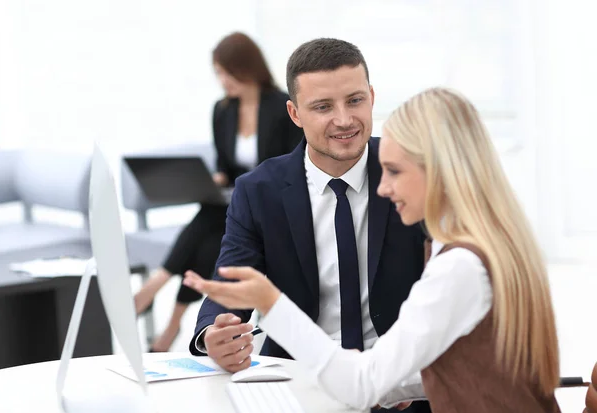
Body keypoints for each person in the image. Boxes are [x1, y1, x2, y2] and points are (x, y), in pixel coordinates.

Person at [184, 87, 562, 413]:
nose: (383, 187)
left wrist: (271, 303)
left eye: (395, 172)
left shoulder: (459, 266)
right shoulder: (491, 244)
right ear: (295, 114)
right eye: (323, 106)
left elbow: (361, 385)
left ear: (440, 170)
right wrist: (394, 382)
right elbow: (470, 357)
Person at [189, 38, 430, 413]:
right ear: (295, 113)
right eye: (322, 107)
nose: (345, 120)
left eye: (355, 100)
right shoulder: (258, 191)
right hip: (300, 385)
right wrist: (214, 333)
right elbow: (232, 282)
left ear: (371, 95)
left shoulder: (414, 171)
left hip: (401, 389)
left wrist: (413, 373)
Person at [133, 32, 303, 352]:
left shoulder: (281, 107)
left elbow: (288, 164)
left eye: (227, 72)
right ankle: (169, 325)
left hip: (269, 199)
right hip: (231, 199)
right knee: (212, 219)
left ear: (247, 67)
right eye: (219, 74)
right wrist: (218, 176)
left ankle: (159, 294)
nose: (223, 81)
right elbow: (226, 163)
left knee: (212, 236)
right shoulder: (222, 110)